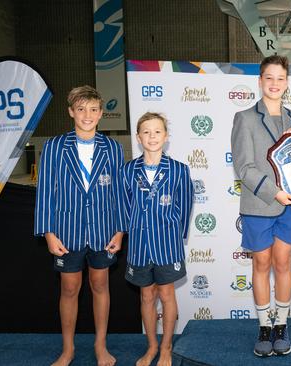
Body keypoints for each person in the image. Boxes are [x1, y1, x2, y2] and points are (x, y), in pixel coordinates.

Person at [34, 85, 126, 366]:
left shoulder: (112, 147)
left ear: (101, 114)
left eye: (93, 109)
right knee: (69, 289)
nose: (87, 115)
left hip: (103, 232)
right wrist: (48, 232)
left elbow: (120, 192)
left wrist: (120, 231)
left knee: (101, 286)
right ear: (71, 112)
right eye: (81, 109)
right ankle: (68, 349)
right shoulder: (53, 146)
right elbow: (46, 190)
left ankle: (101, 346)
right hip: (66, 232)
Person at [230, 55, 291, 357]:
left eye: (280, 78)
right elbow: (243, 167)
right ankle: (263, 327)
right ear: (260, 81)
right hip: (260, 203)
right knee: (261, 264)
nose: (274, 84)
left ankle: (281, 326)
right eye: (269, 78)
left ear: (287, 83)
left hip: (290, 206)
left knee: (283, 263)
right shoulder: (245, 118)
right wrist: (275, 193)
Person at [120, 112, 193, 366]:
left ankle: (166, 347)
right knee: (146, 297)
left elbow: (184, 209)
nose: (152, 137)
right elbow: (124, 209)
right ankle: (151, 346)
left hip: (167, 246)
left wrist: (173, 236)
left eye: (157, 131)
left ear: (166, 136)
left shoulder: (179, 170)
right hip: (139, 246)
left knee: (167, 295)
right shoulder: (128, 170)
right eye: (146, 132)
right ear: (139, 138)